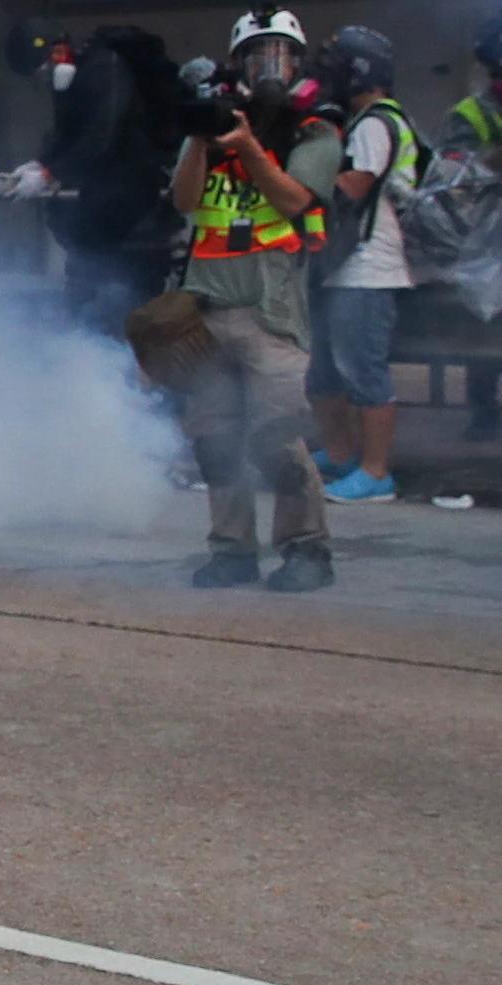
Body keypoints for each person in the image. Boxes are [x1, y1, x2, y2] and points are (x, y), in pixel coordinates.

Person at [168, 10, 344, 592]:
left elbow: (296, 198)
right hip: (209, 308)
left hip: (272, 312)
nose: (271, 66)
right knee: (215, 437)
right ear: (238, 63)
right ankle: (231, 549)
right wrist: (200, 136)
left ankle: (307, 551)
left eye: (282, 55)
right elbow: (186, 202)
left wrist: (247, 147)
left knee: (276, 436)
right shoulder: (214, 126)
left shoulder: (313, 127)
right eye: (258, 55)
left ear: (298, 62)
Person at [3, 21, 186, 332]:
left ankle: (102, 323)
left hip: (131, 182)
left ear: (59, 48)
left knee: (101, 258)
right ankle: (86, 323)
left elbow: (101, 136)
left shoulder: (104, 68)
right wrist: (40, 164)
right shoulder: (71, 83)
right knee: (80, 249)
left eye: (46, 66)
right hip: (100, 186)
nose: (47, 76)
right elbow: (67, 134)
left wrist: (51, 174)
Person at [306, 26, 419, 504]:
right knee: (325, 373)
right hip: (342, 267)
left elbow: (352, 186)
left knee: (364, 372)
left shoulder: (376, 122)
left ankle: (375, 474)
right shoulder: (362, 121)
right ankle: (338, 454)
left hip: (368, 268)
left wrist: (307, 165)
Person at [446, 14, 502, 440]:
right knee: (484, 333)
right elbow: (455, 177)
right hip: (486, 242)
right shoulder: (470, 113)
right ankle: (483, 411)